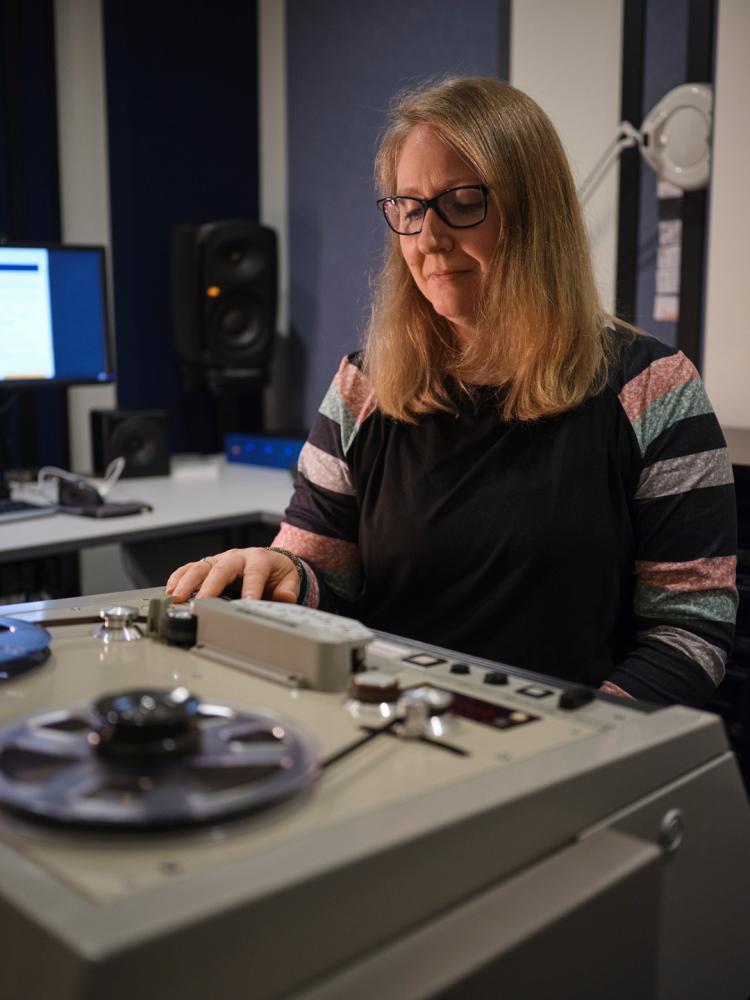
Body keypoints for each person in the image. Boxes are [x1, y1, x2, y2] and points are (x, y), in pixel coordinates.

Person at [167, 77, 737, 708]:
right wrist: (282, 575)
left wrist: (581, 742)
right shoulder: (363, 385)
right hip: (389, 732)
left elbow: (692, 627)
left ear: (535, 213)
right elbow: (326, 581)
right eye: (409, 208)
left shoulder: (654, 389)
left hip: (563, 754)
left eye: (462, 202)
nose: (428, 240)